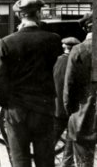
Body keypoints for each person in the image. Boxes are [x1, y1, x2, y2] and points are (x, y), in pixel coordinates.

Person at [0, 0, 63, 167]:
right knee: (45, 159)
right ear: (38, 13)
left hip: (16, 110)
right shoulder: (52, 40)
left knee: (20, 158)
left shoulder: (6, 42)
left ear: (19, 16)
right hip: (43, 108)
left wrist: (5, 103)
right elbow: (57, 70)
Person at [64, 12, 95, 167]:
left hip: (84, 113)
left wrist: (71, 112)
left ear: (85, 28)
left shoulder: (77, 50)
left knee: (84, 162)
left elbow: (69, 86)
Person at [53, 36, 80, 167]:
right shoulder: (76, 62)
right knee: (70, 136)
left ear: (64, 47)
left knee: (53, 136)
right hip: (72, 107)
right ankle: (66, 162)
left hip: (57, 106)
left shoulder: (57, 61)